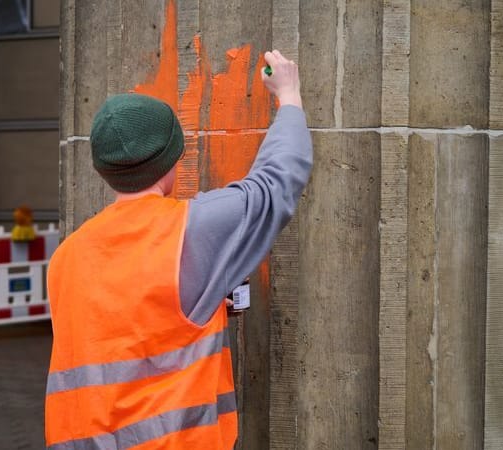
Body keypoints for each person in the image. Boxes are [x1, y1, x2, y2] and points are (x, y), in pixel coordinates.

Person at [44, 50, 312, 449]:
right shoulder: (191, 229)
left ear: (104, 168)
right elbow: (274, 185)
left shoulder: (66, 257)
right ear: (170, 161)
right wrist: (289, 97)